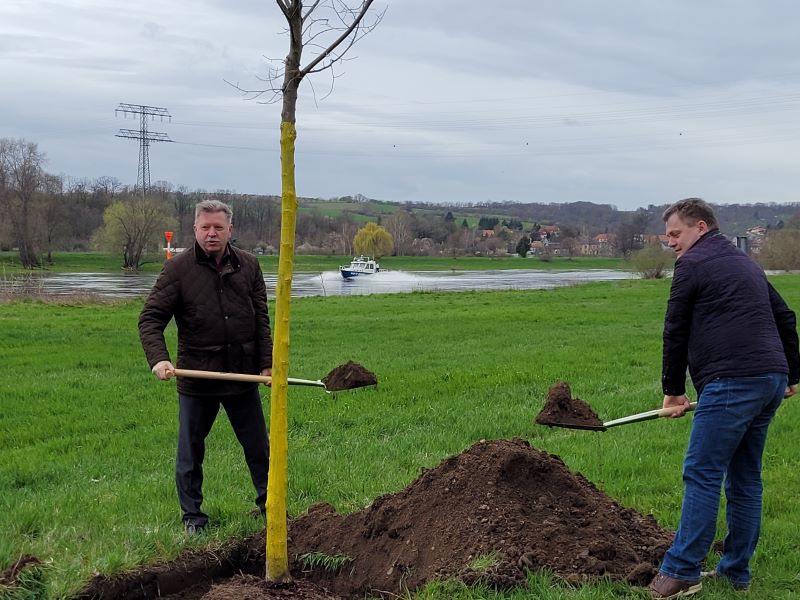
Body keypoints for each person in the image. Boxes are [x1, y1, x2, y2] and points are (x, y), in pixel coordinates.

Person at [648, 198, 798, 598]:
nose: (671, 243)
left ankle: (682, 571)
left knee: (702, 473)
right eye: (668, 237)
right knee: (745, 477)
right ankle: (735, 573)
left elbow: (675, 329)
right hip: (769, 379)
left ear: (700, 226)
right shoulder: (746, 262)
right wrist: (789, 375)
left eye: (676, 234)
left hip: (731, 382)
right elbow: (785, 316)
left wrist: (673, 391)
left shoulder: (692, 265)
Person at [138, 199, 272, 536]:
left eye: (218, 227)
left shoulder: (250, 267)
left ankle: (270, 510)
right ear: (195, 229)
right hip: (197, 377)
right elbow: (150, 319)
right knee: (190, 453)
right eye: (205, 227)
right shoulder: (177, 270)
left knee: (259, 450)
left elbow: (261, 322)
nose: (211, 233)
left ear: (230, 230)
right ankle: (193, 519)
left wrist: (267, 365)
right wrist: (159, 359)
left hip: (242, 377)